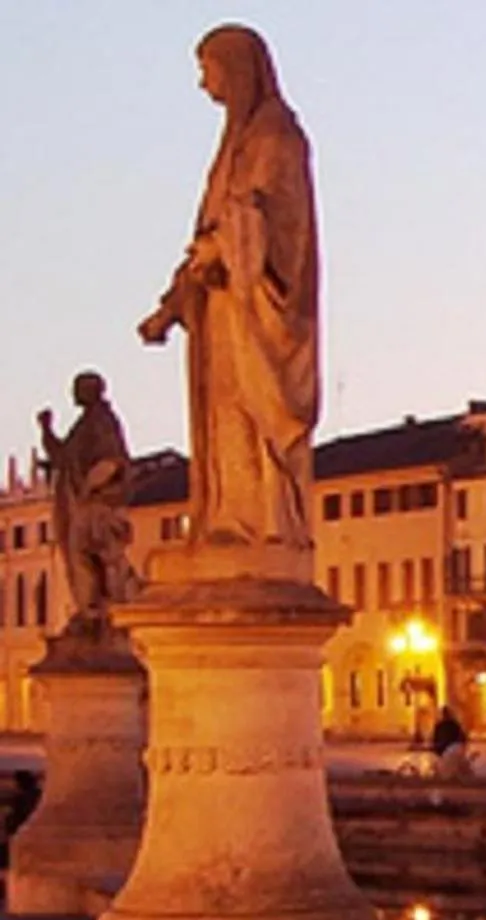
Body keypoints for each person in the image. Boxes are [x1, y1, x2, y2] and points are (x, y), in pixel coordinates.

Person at [137, 26, 319, 550]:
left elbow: (285, 224)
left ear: (234, 69)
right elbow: (209, 234)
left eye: (207, 69)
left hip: (258, 306)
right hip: (222, 307)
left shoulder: (277, 137)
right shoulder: (235, 145)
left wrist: (228, 246)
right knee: (224, 416)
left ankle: (266, 524)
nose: (202, 83)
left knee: (254, 405)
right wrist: (171, 307)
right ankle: (229, 522)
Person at [36, 372, 137, 631]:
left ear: (93, 391)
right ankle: (93, 611)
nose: (74, 393)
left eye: (78, 388)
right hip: (79, 504)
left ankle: (96, 613)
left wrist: (90, 488)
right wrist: (46, 430)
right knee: (82, 556)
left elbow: (112, 461)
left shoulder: (101, 422)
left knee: (89, 555)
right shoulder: (85, 424)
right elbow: (62, 458)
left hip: (93, 505)